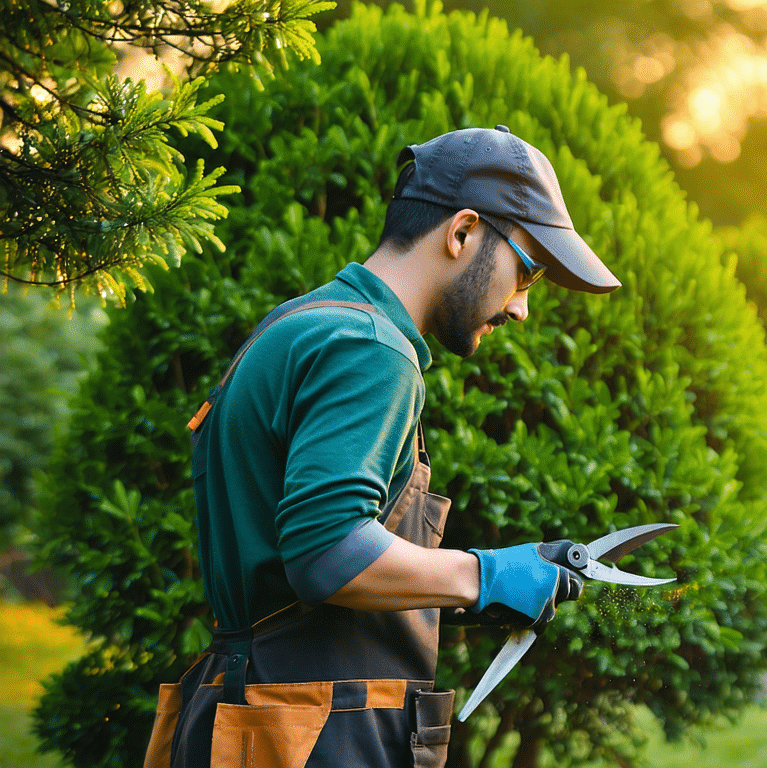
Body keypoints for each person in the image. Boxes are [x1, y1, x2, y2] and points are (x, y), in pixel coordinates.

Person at [143, 125, 621, 768]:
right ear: (462, 233)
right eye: (526, 272)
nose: (520, 310)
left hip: (259, 714)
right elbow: (326, 551)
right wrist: (485, 575)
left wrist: (497, 581)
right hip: (310, 734)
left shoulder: (301, 325)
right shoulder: (371, 351)